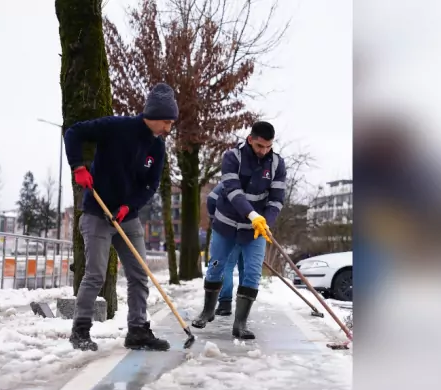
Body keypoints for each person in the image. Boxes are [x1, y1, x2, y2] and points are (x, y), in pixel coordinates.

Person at [63, 83, 179, 352]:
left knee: (140, 274)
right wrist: (78, 166)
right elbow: (74, 133)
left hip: (127, 217)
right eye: (166, 122)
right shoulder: (117, 127)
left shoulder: (157, 148)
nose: (168, 129)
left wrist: (129, 206)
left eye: (171, 123)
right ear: (153, 115)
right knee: (95, 274)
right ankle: (80, 330)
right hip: (97, 213)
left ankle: (137, 330)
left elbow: (149, 186)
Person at [192, 121, 285, 339]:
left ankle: (240, 324)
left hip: (255, 232)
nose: (264, 151)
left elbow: (277, 200)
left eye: (268, 147)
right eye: (260, 146)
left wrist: (265, 221)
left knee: (252, 273)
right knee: (215, 266)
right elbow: (233, 191)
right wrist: (253, 215)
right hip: (225, 227)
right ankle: (208, 311)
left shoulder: (277, 165)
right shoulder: (232, 158)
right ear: (250, 139)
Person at [205, 182, 245, 316]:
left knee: (227, 266)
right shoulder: (258, 181)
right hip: (249, 231)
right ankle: (243, 306)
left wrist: (214, 219)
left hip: (230, 230)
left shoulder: (229, 181)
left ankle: (225, 303)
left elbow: (211, 198)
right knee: (245, 268)